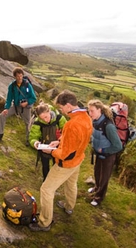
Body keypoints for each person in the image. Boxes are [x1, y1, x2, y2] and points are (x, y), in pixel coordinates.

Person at [29, 90, 92, 232]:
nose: (61, 111)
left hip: (66, 164)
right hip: (78, 159)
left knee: (46, 190)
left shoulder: (71, 124)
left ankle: (44, 223)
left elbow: (64, 154)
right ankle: (69, 207)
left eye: (61, 108)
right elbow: (76, 141)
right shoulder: (86, 118)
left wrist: (51, 150)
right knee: (71, 184)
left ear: (68, 105)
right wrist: (58, 142)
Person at [87, 99, 123, 206]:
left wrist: (104, 150)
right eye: (89, 111)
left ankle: (98, 198)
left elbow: (118, 146)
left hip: (108, 155)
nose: (90, 113)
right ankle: (96, 188)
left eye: (92, 111)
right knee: (97, 172)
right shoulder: (95, 121)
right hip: (99, 153)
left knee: (104, 177)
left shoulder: (108, 126)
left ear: (100, 110)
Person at [0, 67, 37, 146]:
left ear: (22, 75)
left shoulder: (27, 85)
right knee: (2, 115)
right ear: (14, 76)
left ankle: (28, 140)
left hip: (25, 108)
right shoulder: (12, 86)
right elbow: (9, 98)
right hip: (15, 106)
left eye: (21, 75)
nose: (19, 77)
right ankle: (0, 133)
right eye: (18, 76)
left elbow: (33, 97)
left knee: (28, 124)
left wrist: (27, 102)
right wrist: (6, 108)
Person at [29, 101, 67, 181]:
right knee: (45, 165)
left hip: (58, 147)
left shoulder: (59, 118)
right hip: (44, 148)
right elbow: (33, 137)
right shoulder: (37, 123)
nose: (45, 120)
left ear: (49, 111)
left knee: (56, 165)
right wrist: (35, 143)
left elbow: (67, 133)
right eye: (42, 118)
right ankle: (45, 181)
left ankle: (55, 181)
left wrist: (60, 142)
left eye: (46, 117)